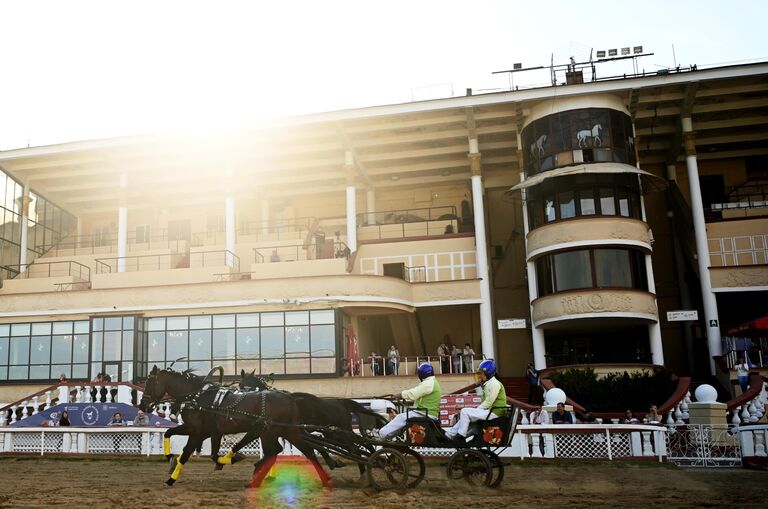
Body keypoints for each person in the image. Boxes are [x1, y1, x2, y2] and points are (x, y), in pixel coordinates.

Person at [445, 359, 507, 440]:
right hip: (491, 412)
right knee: (468, 417)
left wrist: (477, 410)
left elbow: (488, 402)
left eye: (481, 373)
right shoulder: (490, 383)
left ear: (488, 373)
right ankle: (449, 435)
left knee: (464, 412)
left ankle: (460, 436)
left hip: (494, 413)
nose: (480, 376)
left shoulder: (494, 384)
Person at [378, 362, 442, 440]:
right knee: (403, 419)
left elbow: (413, 393)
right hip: (428, 413)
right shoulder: (432, 382)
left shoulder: (428, 383)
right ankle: (390, 436)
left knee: (401, 417)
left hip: (425, 413)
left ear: (421, 374)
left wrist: (400, 395)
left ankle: (380, 435)